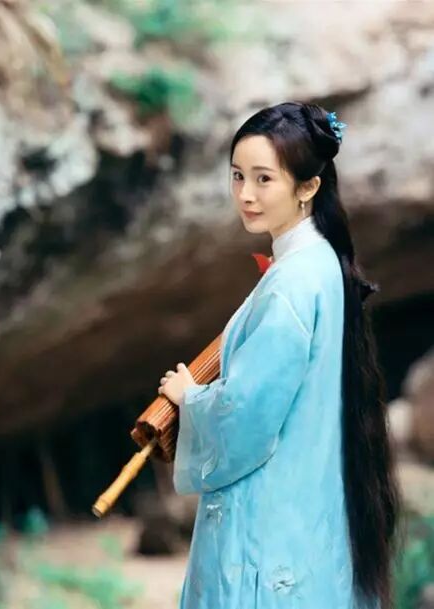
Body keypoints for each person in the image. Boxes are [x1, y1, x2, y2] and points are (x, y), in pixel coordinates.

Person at [158, 102, 402, 609]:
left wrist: (191, 398)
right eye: (237, 176)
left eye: (263, 179)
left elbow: (248, 414)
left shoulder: (292, 281)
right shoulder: (322, 264)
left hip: (268, 528)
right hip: (307, 512)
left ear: (307, 186)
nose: (245, 194)